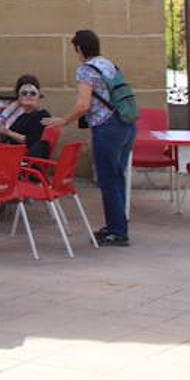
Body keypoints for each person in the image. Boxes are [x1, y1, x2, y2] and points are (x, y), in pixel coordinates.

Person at [44, 29, 137, 247]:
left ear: (79, 49)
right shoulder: (109, 64)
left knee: (107, 179)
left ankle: (117, 231)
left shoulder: (85, 70)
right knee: (117, 176)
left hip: (107, 127)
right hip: (127, 125)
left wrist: (64, 120)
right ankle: (117, 225)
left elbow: (84, 105)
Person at [0, 75, 52, 176]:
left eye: (33, 93)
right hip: (4, 149)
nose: (28, 96)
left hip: (15, 157)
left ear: (38, 96)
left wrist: (6, 132)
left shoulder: (42, 116)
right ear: (19, 97)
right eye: (24, 93)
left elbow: (30, 141)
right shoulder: (23, 114)